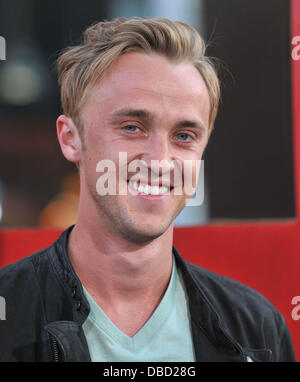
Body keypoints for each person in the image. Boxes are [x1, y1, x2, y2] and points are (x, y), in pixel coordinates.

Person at [0, 17, 295, 362]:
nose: (160, 160)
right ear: (70, 138)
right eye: (132, 127)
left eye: (184, 136)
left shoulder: (256, 328)